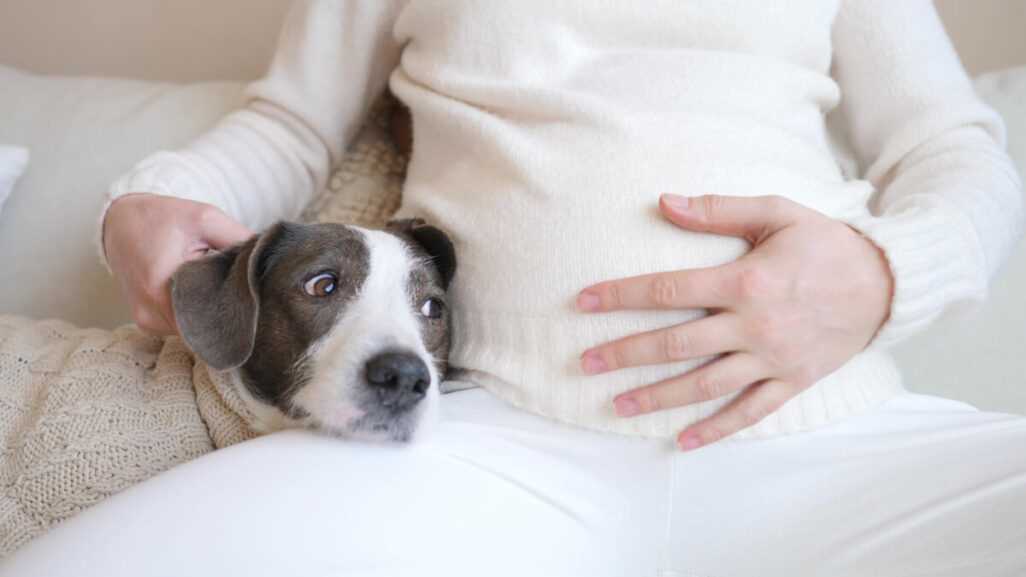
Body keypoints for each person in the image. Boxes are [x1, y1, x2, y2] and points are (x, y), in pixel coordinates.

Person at [91, 0, 1024, 574]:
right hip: (481, 443)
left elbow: (953, 148)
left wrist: (885, 271)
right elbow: (292, 123)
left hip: (835, 440)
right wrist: (152, 200)